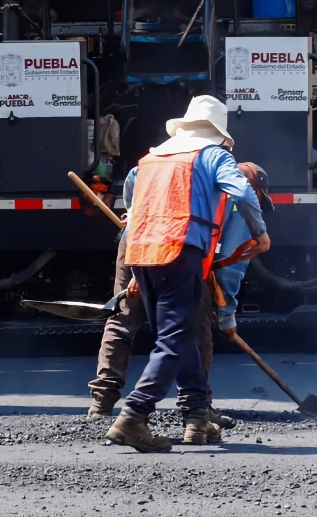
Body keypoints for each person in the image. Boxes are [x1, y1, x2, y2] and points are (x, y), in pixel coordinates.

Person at [105, 96, 270, 453]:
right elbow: (242, 192)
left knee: (182, 335)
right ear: (220, 135)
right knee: (175, 338)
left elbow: (132, 202)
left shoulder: (150, 159)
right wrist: (260, 233)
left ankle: (197, 415)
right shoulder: (213, 156)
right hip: (180, 250)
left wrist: (135, 260)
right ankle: (134, 415)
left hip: (141, 252)